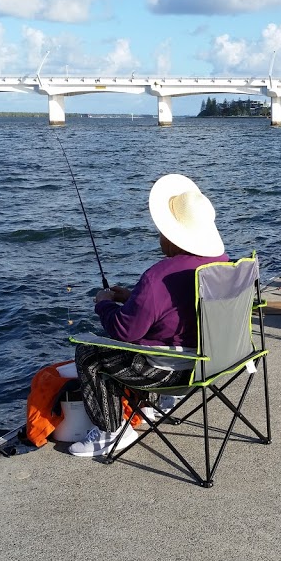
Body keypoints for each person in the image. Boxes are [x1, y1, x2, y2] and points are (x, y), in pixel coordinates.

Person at [69, 173, 228, 457]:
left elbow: (124, 330)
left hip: (171, 372)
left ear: (174, 236)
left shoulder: (158, 276)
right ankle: (157, 408)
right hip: (215, 363)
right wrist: (133, 299)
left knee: (88, 354)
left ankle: (112, 432)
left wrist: (104, 303)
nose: (159, 235)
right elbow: (180, 309)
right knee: (154, 336)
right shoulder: (222, 264)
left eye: (163, 230)